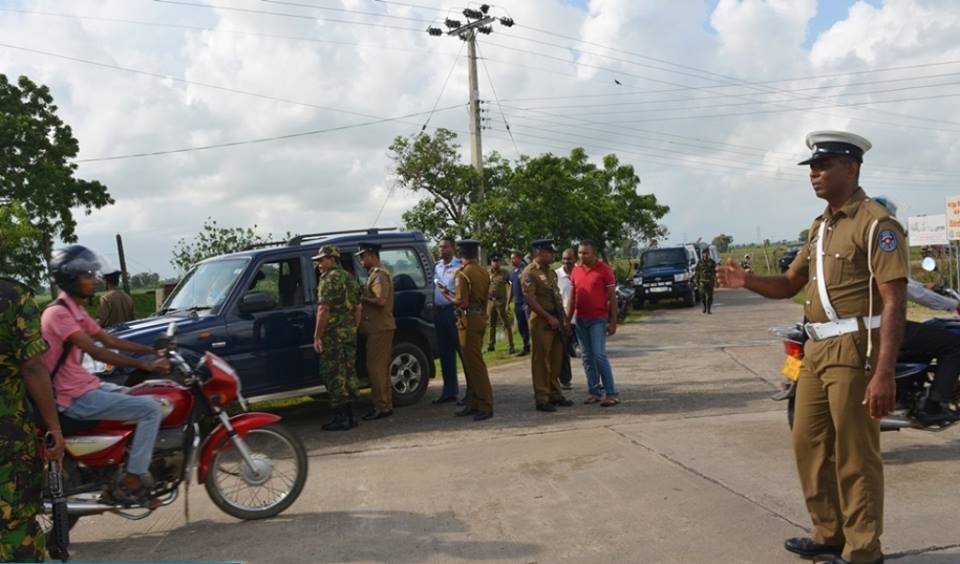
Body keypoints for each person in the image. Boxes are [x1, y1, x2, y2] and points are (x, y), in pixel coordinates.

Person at [717, 131, 907, 564]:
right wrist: (746, 281)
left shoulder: (877, 224)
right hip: (816, 349)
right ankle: (828, 535)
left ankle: (863, 550)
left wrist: (884, 371)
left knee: (856, 455)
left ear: (852, 168)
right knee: (809, 444)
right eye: (812, 168)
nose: (814, 175)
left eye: (823, 166)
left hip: (855, 348)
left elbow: (895, 300)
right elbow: (789, 284)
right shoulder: (820, 227)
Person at [41, 245, 170, 507]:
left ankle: (124, 465)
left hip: (88, 387)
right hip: (74, 398)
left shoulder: (74, 310)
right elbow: (96, 351)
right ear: (70, 278)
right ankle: (132, 481)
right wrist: (145, 365)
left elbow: (109, 339)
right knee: (150, 410)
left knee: (149, 394)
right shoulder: (58, 314)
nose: (94, 279)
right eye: (87, 275)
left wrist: (151, 350)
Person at [872, 196, 960, 424]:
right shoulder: (883, 241)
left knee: (931, 332)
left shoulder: (865, 241)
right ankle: (933, 404)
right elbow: (910, 292)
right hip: (883, 326)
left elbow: (907, 284)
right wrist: (954, 304)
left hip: (870, 323)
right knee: (953, 344)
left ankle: (910, 393)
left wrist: (927, 286)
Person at [1, 277, 65, 563]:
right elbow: (33, 367)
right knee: (16, 528)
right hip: (8, 442)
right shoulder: (12, 295)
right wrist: (54, 428)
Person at [313, 245, 362, 431]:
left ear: (333, 259)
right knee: (349, 372)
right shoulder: (350, 277)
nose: (319, 264)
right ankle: (351, 416)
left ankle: (342, 417)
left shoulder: (328, 279)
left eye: (322, 260)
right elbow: (358, 308)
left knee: (333, 374)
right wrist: (352, 328)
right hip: (348, 333)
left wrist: (317, 335)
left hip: (333, 335)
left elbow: (323, 309)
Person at [522, 239, 574, 412]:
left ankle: (555, 394)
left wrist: (565, 320)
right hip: (541, 322)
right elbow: (530, 299)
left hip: (556, 320)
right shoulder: (530, 273)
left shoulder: (551, 272)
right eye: (549, 252)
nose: (553, 255)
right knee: (541, 361)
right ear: (539, 253)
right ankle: (542, 398)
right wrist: (548, 318)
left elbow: (557, 298)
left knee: (556, 360)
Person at [568, 240, 620, 407]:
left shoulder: (604, 270)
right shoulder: (576, 271)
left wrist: (613, 321)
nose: (582, 256)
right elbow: (572, 297)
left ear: (594, 254)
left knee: (598, 354)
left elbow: (612, 297)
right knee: (586, 356)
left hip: (598, 319)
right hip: (581, 319)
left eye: (585, 253)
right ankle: (594, 392)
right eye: (580, 253)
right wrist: (568, 320)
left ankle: (611, 393)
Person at [450, 239, 493, 421]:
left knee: (474, 366)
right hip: (479, 318)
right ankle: (474, 402)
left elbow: (462, 302)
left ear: (461, 254)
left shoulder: (462, 274)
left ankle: (485, 405)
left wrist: (447, 296)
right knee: (472, 364)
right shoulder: (483, 272)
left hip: (467, 321)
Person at [357, 243, 396, 421]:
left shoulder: (379, 275)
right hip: (378, 327)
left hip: (379, 328)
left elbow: (380, 300)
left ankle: (381, 406)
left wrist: (362, 297)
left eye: (363, 256)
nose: (361, 260)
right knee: (380, 367)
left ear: (372, 255)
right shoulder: (374, 275)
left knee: (376, 368)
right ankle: (385, 404)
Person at [432, 237, 463, 404]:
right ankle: (449, 391)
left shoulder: (459, 266)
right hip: (440, 313)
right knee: (445, 354)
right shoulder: (437, 267)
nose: (441, 250)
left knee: (463, 351)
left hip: (454, 312)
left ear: (452, 248)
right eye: (439, 247)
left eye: (444, 247)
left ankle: (472, 391)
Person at [556, 248, 578, 389]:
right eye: (564, 259)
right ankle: (565, 380)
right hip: (565, 320)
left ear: (575, 259)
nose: (566, 262)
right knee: (563, 351)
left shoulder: (580, 272)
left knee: (588, 353)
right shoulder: (556, 275)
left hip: (581, 318)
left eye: (569, 259)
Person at [486, 254, 516, 354]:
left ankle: (511, 346)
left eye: (497, 261)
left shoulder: (505, 273)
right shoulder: (487, 273)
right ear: (491, 262)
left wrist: (508, 301)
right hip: (490, 301)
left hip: (501, 301)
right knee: (491, 324)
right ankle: (491, 345)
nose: (496, 263)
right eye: (494, 261)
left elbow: (511, 285)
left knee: (506, 324)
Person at [508, 250, 531, 356]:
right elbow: (511, 288)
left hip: (525, 302)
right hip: (517, 302)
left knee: (529, 325)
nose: (512, 260)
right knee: (521, 325)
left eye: (514, 258)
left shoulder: (524, 271)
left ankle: (532, 346)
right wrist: (508, 303)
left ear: (520, 258)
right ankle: (526, 346)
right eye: (511, 258)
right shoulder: (512, 273)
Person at [695, 248, 717, 314]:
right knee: (702, 296)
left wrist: (716, 280)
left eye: (707, 253)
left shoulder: (712, 262)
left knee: (709, 296)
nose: (706, 254)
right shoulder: (700, 262)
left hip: (710, 281)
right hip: (702, 282)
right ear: (702, 254)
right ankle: (704, 307)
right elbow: (697, 272)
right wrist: (696, 281)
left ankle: (708, 310)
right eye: (704, 253)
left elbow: (715, 271)